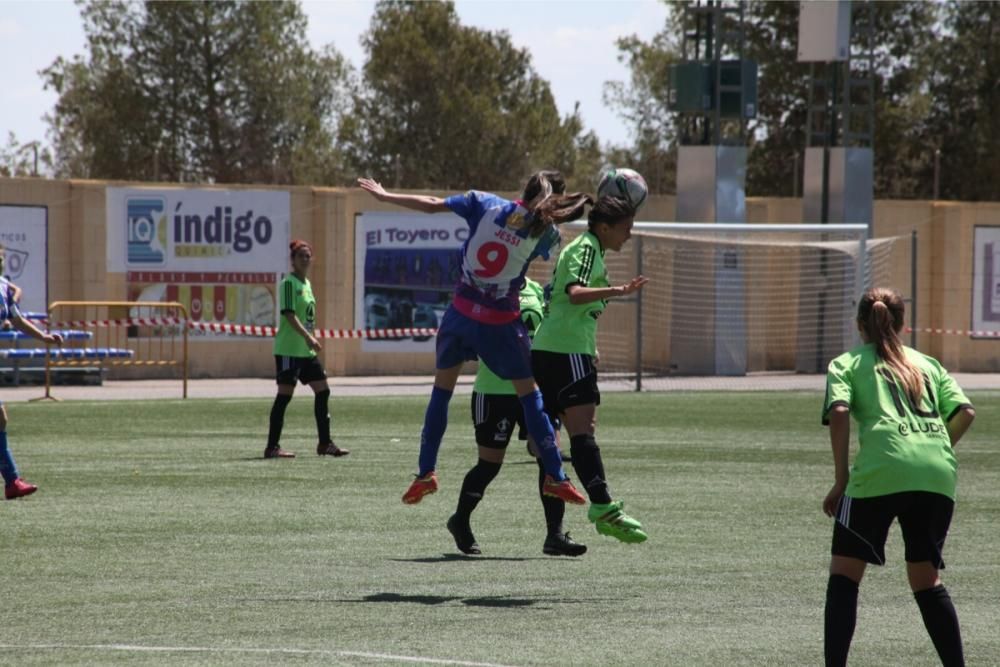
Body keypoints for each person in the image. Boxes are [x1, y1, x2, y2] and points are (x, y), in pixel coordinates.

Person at [357, 172, 587, 507]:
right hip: (500, 323)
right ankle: (555, 475)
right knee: (529, 395)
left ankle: (426, 472)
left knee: (441, 393)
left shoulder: (483, 202)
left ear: (525, 187)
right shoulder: (546, 233)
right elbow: (540, 254)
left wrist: (386, 195)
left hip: (461, 315)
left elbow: (433, 205)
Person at [822, 287, 975, 667]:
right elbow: (966, 412)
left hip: (879, 472)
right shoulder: (928, 363)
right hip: (937, 475)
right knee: (926, 580)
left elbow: (839, 412)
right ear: (903, 325)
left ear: (861, 326)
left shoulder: (847, 363)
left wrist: (841, 480)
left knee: (845, 575)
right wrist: (936, 449)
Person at [531, 196, 650, 544]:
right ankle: (602, 507)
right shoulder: (585, 249)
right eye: (625, 228)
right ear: (604, 227)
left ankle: (556, 533)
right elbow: (575, 292)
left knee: (551, 446)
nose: (628, 235)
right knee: (582, 435)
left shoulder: (589, 248)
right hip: (564, 352)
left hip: (557, 349)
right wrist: (618, 290)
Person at [447, 277, 586, 557]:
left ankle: (555, 535)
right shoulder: (484, 290)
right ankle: (460, 520)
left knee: (549, 458)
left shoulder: (536, 289)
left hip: (535, 389)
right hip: (494, 390)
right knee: (489, 466)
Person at [264, 240, 349, 459]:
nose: (305, 259)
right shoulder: (288, 283)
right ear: (292, 260)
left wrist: (309, 339)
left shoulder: (307, 284)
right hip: (289, 349)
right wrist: (308, 337)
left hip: (306, 351)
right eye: (301, 255)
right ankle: (272, 447)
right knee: (284, 396)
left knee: (323, 390)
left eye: (308, 255)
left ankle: (325, 443)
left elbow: (305, 316)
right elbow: (289, 315)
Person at [0, 244, 63, 499]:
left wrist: (44, 336)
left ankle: (12, 481)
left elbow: (16, 319)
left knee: (0, 419)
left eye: (2, 256)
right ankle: (12, 481)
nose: (1, 260)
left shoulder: (3, 285)